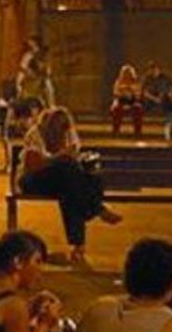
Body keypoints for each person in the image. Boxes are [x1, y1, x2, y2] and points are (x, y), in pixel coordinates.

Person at [19, 107, 122, 262]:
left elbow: (73, 156)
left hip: (61, 181)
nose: (62, 133)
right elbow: (33, 165)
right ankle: (96, 207)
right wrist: (60, 157)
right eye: (58, 129)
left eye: (65, 128)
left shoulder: (68, 133)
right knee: (68, 170)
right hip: (33, 179)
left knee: (77, 186)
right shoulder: (36, 134)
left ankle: (78, 247)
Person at [142, 61, 172, 141]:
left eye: (155, 70)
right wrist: (154, 98)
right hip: (150, 99)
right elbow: (143, 92)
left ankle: (169, 124)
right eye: (152, 70)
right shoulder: (147, 78)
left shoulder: (165, 76)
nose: (154, 72)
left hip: (164, 98)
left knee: (169, 101)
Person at [109, 64, 144, 137]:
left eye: (129, 73)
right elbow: (116, 92)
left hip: (133, 101)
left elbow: (138, 93)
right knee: (115, 109)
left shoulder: (136, 82)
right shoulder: (118, 81)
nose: (127, 75)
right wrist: (124, 91)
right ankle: (116, 131)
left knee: (138, 109)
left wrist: (130, 90)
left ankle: (137, 132)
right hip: (121, 100)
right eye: (125, 73)